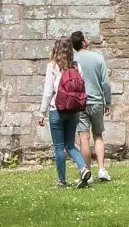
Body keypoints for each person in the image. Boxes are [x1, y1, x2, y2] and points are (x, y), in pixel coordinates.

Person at [37, 37, 91, 188]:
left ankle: (62, 181)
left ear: (56, 50)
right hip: (73, 111)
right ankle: (83, 168)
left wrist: (42, 113)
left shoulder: (52, 66)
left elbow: (48, 93)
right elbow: (81, 87)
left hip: (57, 111)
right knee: (70, 145)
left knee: (59, 147)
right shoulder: (77, 66)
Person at [71, 30, 113, 183]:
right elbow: (105, 83)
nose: (88, 39)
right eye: (86, 38)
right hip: (96, 102)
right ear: (83, 42)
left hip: (79, 103)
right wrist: (107, 101)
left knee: (83, 138)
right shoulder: (98, 58)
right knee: (98, 135)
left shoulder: (72, 60)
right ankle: (101, 169)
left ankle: (87, 172)